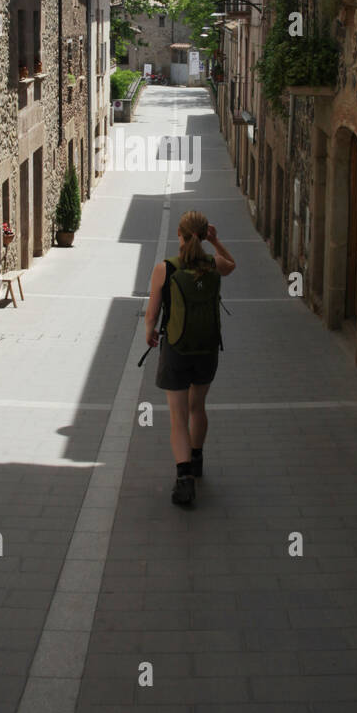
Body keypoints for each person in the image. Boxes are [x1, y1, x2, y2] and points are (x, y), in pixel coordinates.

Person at [144, 210, 236, 507]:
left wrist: (150, 332)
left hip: (176, 349)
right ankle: (197, 459)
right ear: (203, 235)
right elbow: (232, 265)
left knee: (178, 416)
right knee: (198, 407)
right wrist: (217, 241)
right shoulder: (213, 265)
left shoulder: (165, 269)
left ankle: (184, 479)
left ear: (180, 236)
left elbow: (152, 314)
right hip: (207, 349)